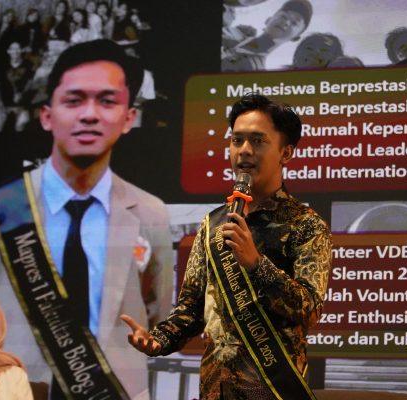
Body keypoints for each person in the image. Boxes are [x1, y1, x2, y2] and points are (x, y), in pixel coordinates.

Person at [0, 39, 173, 400]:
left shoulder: (150, 213)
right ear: (47, 115)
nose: (89, 114)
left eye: (107, 101)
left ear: (129, 118)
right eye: (74, 100)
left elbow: (157, 319)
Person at [122, 93, 332, 399]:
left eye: (257, 141)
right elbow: (192, 308)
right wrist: (157, 341)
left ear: (285, 153)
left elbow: (309, 308)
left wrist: (256, 265)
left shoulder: (306, 224)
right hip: (214, 389)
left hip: (272, 390)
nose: (244, 150)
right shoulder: (213, 224)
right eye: (236, 140)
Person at [222, 0, 313, 71]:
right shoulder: (230, 33)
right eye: (283, 16)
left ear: (295, 38)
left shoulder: (253, 71)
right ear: (268, 20)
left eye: (294, 23)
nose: (286, 22)